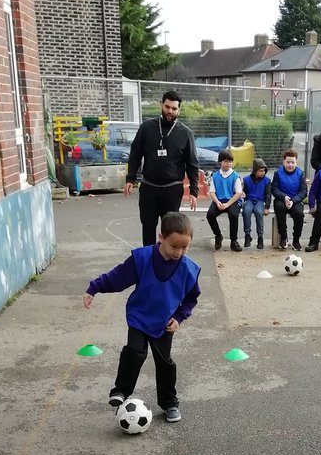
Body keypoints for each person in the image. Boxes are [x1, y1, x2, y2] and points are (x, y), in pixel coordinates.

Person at [82, 211, 200, 423]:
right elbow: (117, 278)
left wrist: (179, 318)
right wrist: (94, 287)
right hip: (139, 317)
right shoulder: (142, 258)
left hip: (165, 323)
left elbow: (191, 298)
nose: (179, 252)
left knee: (165, 362)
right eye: (174, 246)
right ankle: (120, 392)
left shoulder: (188, 269)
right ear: (161, 238)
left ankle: (169, 403)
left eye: (185, 247)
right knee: (134, 351)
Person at [123, 91, 200, 247]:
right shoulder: (146, 128)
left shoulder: (185, 133)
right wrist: (130, 178)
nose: (170, 111)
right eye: (167, 107)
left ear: (179, 110)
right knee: (148, 227)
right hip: (149, 187)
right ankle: (149, 262)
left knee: (171, 231)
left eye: (174, 108)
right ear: (161, 105)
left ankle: (167, 262)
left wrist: (194, 191)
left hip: (172, 190)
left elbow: (192, 163)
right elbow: (135, 154)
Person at [206, 150, 243, 251]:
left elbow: (238, 193)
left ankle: (234, 241)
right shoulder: (216, 176)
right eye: (226, 161)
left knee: (233, 215)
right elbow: (212, 192)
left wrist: (227, 204)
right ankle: (218, 235)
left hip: (233, 201)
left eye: (230, 161)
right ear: (220, 162)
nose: (229, 163)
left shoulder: (235, 176)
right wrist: (217, 202)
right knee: (210, 215)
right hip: (219, 200)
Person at [271, 149, 307, 251]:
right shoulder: (278, 173)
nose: (290, 165)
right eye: (288, 162)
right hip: (282, 200)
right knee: (279, 208)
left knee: (299, 214)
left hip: (295, 201)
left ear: (296, 162)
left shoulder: (300, 174)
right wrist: (284, 197)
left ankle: (296, 240)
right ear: (284, 162)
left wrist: (293, 200)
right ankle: (283, 237)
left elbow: (303, 191)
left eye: (293, 162)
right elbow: (274, 189)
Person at [241, 158, 272, 249]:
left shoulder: (267, 181)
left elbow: (268, 195)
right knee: (246, 211)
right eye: (260, 171)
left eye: (264, 171)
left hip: (260, 201)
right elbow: (244, 193)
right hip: (250, 199)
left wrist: (266, 207)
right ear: (255, 171)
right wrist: (242, 196)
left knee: (259, 212)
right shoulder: (246, 180)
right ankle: (247, 235)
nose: (263, 173)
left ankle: (260, 237)